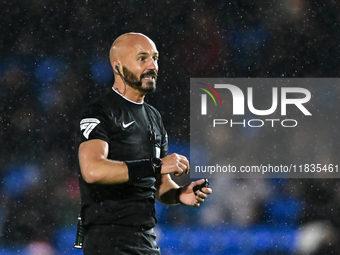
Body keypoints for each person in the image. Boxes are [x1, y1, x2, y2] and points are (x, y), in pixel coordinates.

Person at [76, 32, 212, 255]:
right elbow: (93, 169)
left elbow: (160, 184)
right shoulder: (99, 112)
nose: (153, 66)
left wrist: (179, 194)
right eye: (142, 59)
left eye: (155, 58)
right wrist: (157, 165)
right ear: (117, 66)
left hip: (146, 238)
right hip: (108, 239)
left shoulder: (154, 117)